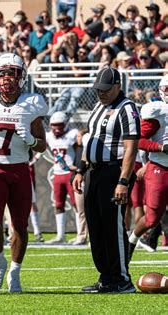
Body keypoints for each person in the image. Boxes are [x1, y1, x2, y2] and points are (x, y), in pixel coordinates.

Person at [0, 53, 48, 292]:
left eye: (11, 73)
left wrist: (32, 141)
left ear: (21, 76)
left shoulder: (32, 102)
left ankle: (15, 271)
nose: (6, 79)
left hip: (20, 170)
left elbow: (42, 145)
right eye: (1, 74)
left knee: (20, 225)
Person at [73, 66, 140, 293]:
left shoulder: (127, 108)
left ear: (117, 86)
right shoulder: (98, 106)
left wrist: (123, 180)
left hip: (113, 172)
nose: (101, 93)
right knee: (96, 226)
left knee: (112, 226)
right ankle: (106, 277)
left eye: (105, 89)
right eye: (98, 89)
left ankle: (122, 279)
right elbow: (90, 139)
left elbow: (131, 148)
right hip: (94, 171)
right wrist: (81, 170)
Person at [127, 75, 168, 262]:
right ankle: (132, 240)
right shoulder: (158, 111)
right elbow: (139, 140)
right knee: (151, 219)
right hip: (160, 167)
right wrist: (160, 147)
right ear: (161, 91)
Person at [46, 111, 78, 244]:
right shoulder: (49, 137)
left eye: (59, 125)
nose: (56, 128)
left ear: (66, 124)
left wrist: (77, 168)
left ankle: (81, 234)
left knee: (77, 205)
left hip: (71, 174)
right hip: (57, 173)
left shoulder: (73, 135)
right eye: (54, 125)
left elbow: (80, 150)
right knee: (58, 205)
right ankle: (60, 235)